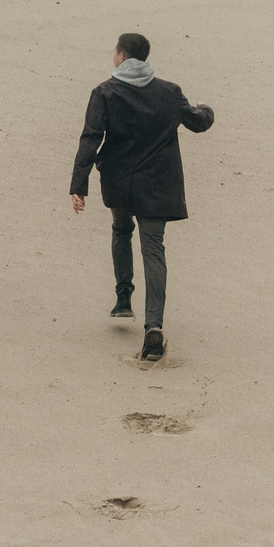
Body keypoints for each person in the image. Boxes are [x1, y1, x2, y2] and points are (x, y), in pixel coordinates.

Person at [69, 33, 213, 360]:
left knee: (121, 230)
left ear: (121, 56)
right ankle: (153, 325)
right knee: (153, 247)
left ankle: (123, 300)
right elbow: (198, 122)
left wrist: (79, 184)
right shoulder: (169, 92)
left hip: (119, 183)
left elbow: (90, 139)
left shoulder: (104, 92)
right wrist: (207, 109)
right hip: (158, 185)